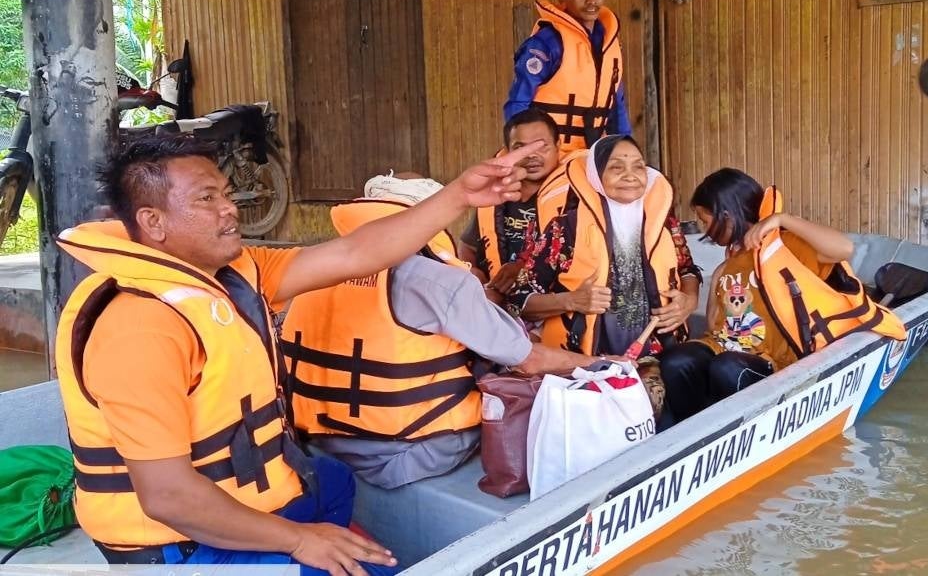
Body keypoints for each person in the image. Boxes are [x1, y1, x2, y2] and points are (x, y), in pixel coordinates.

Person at [53, 134, 543, 574]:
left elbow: (356, 254)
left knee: (330, 480)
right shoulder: (141, 328)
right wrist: (302, 541)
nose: (230, 209)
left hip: (241, 495)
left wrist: (458, 193)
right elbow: (168, 497)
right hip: (175, 544)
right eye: (207, 198)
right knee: (336, 546)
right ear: (152, 222)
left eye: (226, 193)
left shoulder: (235, 273)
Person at [281, 174, 628, 489]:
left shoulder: (312, 268)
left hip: (318, 439)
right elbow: (529, 360)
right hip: (405, 453)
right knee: (523, 388)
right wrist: (598, 362)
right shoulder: (441, 281)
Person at [658, 168, 906, 426]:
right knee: (676, 361)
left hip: (774, 361)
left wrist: (781, 219)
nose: (703, 228)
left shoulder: (787, 247)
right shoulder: (725, 268)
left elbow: (843, 248)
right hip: (727, 348)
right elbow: (714, 326)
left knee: (727, 368)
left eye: (704, 219)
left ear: (727, 216)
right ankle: (690, 433)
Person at [508, 135, 701, 361]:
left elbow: (688, 270)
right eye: (616, 167)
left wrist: (689, 301)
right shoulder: (566, 229)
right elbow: (518, 301)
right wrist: (570, 300)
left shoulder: (664, 223)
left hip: (659, 356)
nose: (630, 176)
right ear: (595, 176)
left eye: (638, 166)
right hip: (585, 362)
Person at [504, 0, 631, 157]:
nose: (591, 1)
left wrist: (625, 151)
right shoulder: (547, 43)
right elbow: (518, 104)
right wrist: (524, 153)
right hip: (550, 156)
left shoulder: (610, 44)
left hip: (591, 156)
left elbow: (616, 105)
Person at [459, 107, 565, 303]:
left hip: (549, 304)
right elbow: (468, 247)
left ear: (558, 145)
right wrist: (471, 272)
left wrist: (524, 268)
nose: (532, 155)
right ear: (507, 151)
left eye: (541, 146)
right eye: (520, 148)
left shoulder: (573, 196)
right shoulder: (495, 193)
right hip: (491, 301)